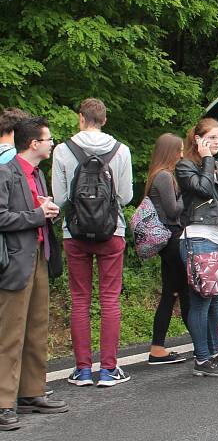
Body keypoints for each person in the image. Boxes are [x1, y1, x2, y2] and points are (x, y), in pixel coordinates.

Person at [51, 98, 134, 387]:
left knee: (79, 299)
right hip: (112, 231)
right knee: (110, 299)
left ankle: (83, 370)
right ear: (104, 120)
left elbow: (60, 198)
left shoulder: (63, 150)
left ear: (80, 118)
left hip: (75, 232)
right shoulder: (121, 150)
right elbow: (125, 196)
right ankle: (109, 369)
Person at [0, 118, 67, 431]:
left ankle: (30, 392)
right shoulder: (5, 173)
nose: (52, 143)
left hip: (39, 256)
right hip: (14, 261)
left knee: (37, 327)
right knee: (9, 335)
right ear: (33, 143)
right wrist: (36, 215)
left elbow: (34, 214)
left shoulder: (38, 174)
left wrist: (47, 213)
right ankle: (3, 403)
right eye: (48, 139)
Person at [176, 118, 218, 376]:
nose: (216, 143)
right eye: (211, 138)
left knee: (216, 300)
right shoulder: (185, 166)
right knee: (201, 300)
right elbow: (203, 190)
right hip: (196, 238)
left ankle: (215, 352)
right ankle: (202, 359)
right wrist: (205, 159)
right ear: (198, 138)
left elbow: (217, 200)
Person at [145, 133, 189, 365]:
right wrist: (188, 197)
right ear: (169, 152)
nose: (181, 154)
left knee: (172, 293)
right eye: (179, 150)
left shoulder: (159, 175)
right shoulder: (163, 176)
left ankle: (157, 348)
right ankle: (205, 345)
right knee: (184, 292)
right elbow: (173, 211)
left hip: (168, 240)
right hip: (171, 239)